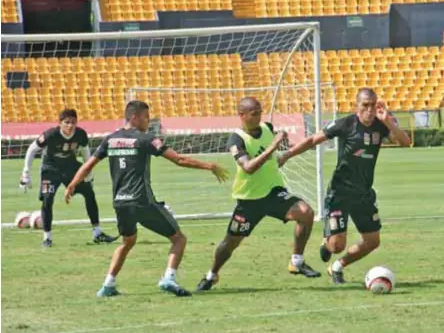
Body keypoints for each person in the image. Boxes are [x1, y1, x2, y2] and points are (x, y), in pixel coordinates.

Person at [64, 101, 229, 297]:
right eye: (146, 118)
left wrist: (72, 184)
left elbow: (88, 165)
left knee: (127, 241)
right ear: (134, 117)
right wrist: (208, 166)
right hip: (141, 200)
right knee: (178, 238)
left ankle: (108, 285)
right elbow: (178, 159)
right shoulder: (145, 139)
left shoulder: (110, 140)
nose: (147, 122)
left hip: (120, 201)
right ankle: (169, 277)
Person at [279, 88, 411, 284]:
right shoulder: (346, 124)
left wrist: (388, 121)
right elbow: (313, 139)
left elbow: (405, 142)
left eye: (373, 105)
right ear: (357, 106)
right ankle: (328, 240)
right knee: (336, 246)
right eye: (365, 105)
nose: (369, 110)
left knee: (373, 241)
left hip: (364, 194)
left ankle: (337, 266)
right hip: (340, 192)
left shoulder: (382, 125)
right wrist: (288, 154)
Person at [196, 97, 320, 292]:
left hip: (274, 193)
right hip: (249, 201)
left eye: (259, 112)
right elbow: (248, 168)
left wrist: (282, 143)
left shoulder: (268, 128)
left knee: (306, 213)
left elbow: (277, 141)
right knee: (231, 242)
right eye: (253, 113)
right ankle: (212, 274)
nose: (258, 116)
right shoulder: (236, 139)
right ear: (241, 115)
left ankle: (297, 261)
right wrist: (273, 147)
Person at [19, 109, 116, 247]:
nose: (70, 126)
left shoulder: (81, 134)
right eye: (67, 122)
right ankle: (47, 238)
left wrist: (88, 170)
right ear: (60, 123)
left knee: (89, 193)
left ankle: (97, 232)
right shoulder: (51, 134)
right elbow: (32, 149)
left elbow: (85, 151)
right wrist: (26, 172)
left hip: (70, 167)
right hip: (50, 169)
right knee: (47, 199)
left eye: (73, 122)